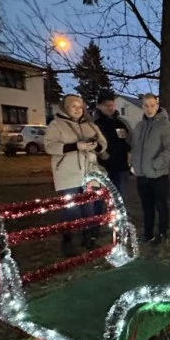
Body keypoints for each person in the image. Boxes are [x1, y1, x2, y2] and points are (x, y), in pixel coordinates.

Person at [45, 94, 109, 256]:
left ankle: (88, 239)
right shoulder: (56, 125)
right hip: (68, 173)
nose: (78, 110)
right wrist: (75, 146)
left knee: (89, 207)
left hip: (89, 173)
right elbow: (50, 146)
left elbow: (103, 143)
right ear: (65, 108)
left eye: (80, 107)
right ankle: (68, 241)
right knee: (71, 209)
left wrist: (95, 146)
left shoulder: (90, 125)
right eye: (74, 106)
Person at [131, 93, 170, 245]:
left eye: (152, 105)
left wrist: (156, 164)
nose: (149, 109)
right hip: (141, 174)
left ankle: (162, 233)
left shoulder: (165, 125)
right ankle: (148, 233)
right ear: (142, 106)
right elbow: (136, 147)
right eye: (146, 105)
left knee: (161, 205)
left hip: (158, 175)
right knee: (147, 206)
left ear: (157, 106)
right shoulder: (139, 126)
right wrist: (134, 164)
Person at [94, 98, 132, 203]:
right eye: (106, 105)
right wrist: (102, 154)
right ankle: (101, 217)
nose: (109, 108)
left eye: (112, 105)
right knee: (101, 195)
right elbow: (93, 143)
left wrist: (128, 145)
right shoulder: (95, 124)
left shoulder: (120, 122)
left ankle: (120, 217)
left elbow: (129, 141)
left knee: (120, 195)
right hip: (103, 166)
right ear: (99, 106)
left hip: (121, 165)